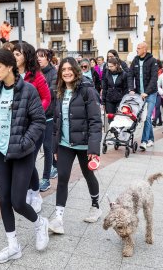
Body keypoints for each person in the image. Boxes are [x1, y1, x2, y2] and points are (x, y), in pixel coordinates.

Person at [0, 49, 49, 263]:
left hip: (22, 153)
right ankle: (13, 246)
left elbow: (39, 120)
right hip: (1, 153)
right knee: (3, 200)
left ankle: (40, 223)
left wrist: (24, 143)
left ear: (10, 67)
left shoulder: (28, 90)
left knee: (18, 202)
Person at [49, 56, 102, 235]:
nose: (66, 72)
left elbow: (95, 121)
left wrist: (93, 150)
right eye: (63, 70)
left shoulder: (87, 90)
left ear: (76, 70)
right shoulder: (59, 91)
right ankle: (58, 218)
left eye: (69, 69)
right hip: (65, 143)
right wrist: (55, 147)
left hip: (84, 144)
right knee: (62, 178)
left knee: (88, 175)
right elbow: (57, 121)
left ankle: (95, 206)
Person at [12, 42, 51, 213]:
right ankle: (28, 190)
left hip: (33, 126)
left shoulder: (37, 76)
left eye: (18, 54)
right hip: (16, 126)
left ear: (26, 57)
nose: (14, 57)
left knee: (29, 161)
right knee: (20, 160)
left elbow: (46, 98)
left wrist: (34, 114)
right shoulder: (10, 74)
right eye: (13, 53)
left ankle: (35, 193)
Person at [128, 42, 158, 151]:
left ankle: (144, 141)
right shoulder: (135, 60)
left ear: (145, 50)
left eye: (139, 48)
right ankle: (151, 139)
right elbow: (130, 75)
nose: (137, 50)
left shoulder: (152, 61)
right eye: (137, 48)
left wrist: (147, 92)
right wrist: (131, 89)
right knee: (144, 117)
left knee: (147, 117)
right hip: (139, 94)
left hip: (150, 94)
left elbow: (154, 78)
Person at [36, 48, 58, 192]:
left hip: (49, 115)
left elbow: (51, 93)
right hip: (35, 116)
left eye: (42, 57)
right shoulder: (35, 73)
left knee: (48, 147)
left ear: (48, 58)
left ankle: (46, 179)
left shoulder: (54, 73)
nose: (39, 59)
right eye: (37, 57)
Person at [102, 57, 130, 122]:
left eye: (111, 66)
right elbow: (105, 88)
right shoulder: (107, 74)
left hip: (120, 100)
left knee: (119, 118)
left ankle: (119, 132)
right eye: (108, 66)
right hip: (109, 100)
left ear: (116, 65)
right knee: (110, 119)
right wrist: (103, 102)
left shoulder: (123, 74)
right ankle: (113, 131)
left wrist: (124, 100)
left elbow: (125, 89)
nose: (109, 68)